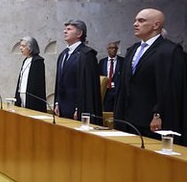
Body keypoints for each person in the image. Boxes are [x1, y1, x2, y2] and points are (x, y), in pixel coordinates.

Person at [115, 8, 185, 139]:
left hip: (153, 121)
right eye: (135, 20)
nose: (135, 24)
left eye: (141, 21)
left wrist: (158, 114)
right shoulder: (132, 49)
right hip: (128, 118)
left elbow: (170, 88)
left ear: (156, 25)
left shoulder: (170, 51)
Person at [53, 19, 102, 121]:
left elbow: (87, 86)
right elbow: (59, 82)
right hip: (62, 108)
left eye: (69, 29)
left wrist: (80, 108)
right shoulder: (63, 54)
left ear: (79, 33)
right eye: (65, 29)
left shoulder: (86, 55)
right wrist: (57, 103)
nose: (65, 31)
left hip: (78, 109)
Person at [14, 36, 46, 112]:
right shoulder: (26, 60)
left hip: (31, 97)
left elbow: (37, 84)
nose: (20, 48)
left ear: (31, 48)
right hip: (22, 94)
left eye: (23, 46)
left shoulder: (37, 61)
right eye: (20, 46)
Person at [99, 41, 124, 113]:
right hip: (106, 90)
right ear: (107, 49)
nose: (113, 50)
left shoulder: (122, 61)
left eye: (115, 48)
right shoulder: (102, 62)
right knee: (107, 110)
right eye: (111, 48)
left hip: (117, 90)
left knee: (118, 110)